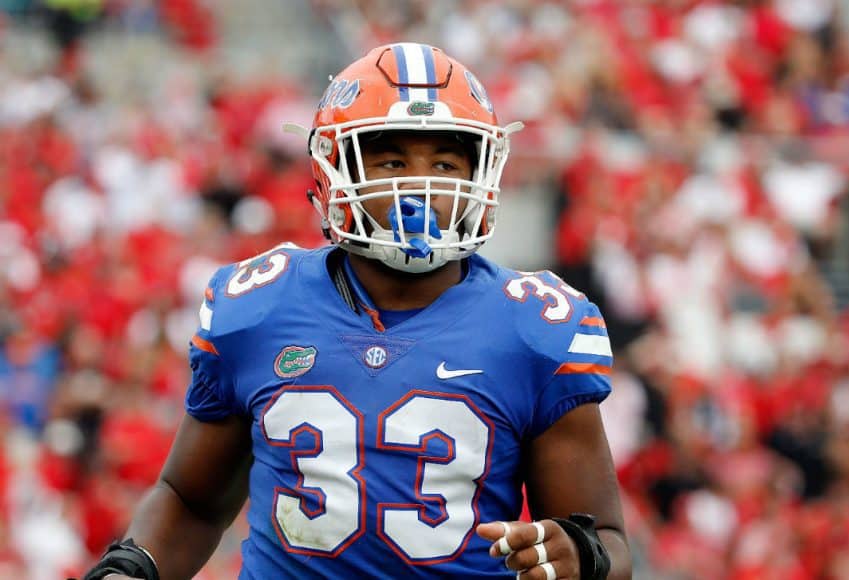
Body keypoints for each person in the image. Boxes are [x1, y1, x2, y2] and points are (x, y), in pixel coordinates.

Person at [84, 43, 630, 580]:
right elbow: (191, 500)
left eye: (444, 162)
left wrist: (582, 558)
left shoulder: (533, 330)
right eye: (392, 160)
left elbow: (607, 539)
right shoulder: (259, 308)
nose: (420, 184)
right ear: (332, 170)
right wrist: (133, 568)